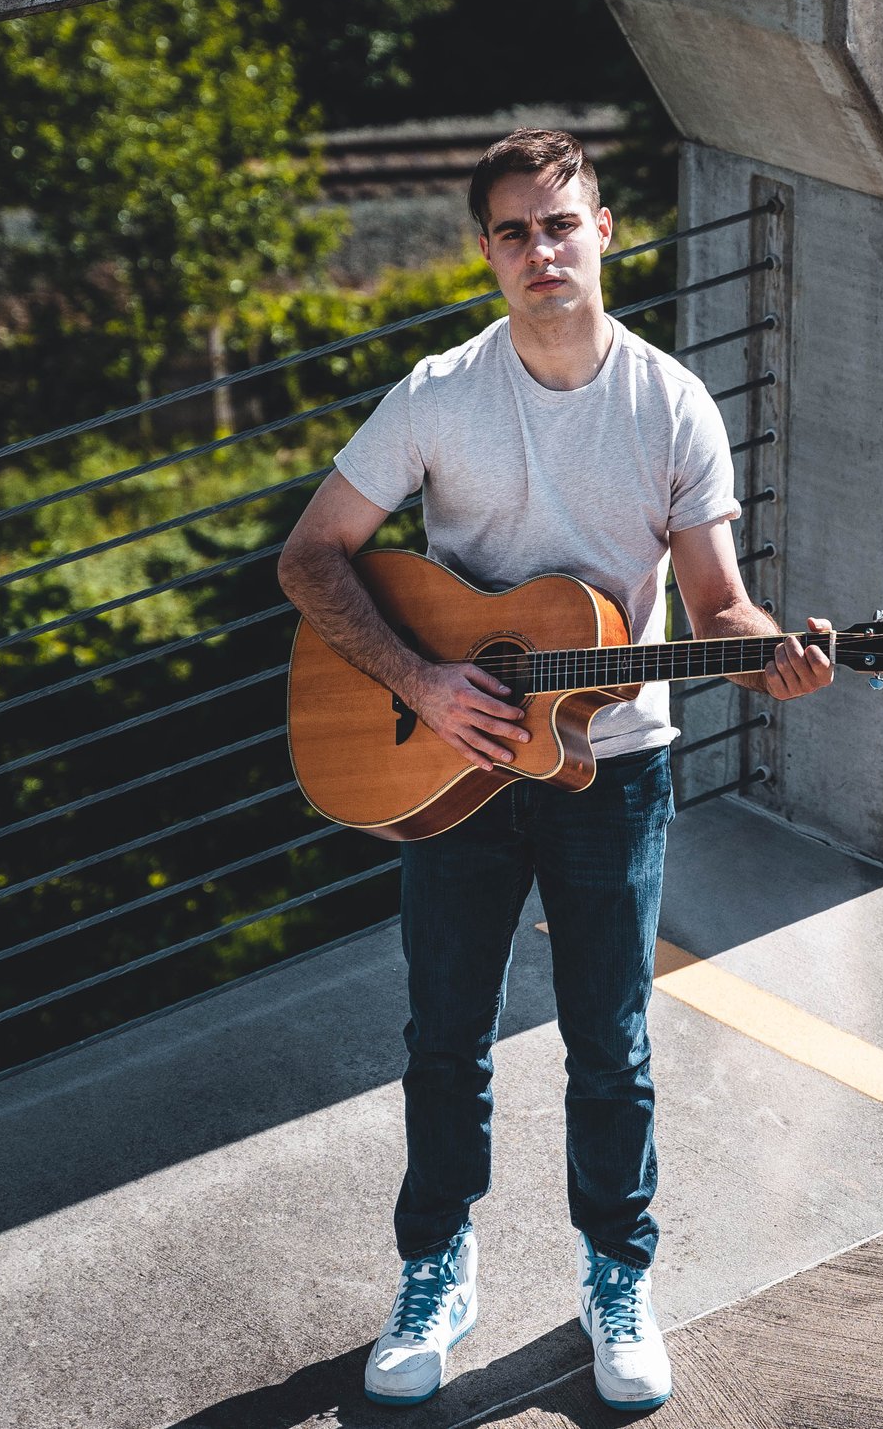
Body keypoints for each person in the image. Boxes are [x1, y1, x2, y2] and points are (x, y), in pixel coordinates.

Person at [276, 128, 833, 1412]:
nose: (542, 249)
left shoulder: (668, 404)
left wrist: (773, 659)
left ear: (604, 231)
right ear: (488, 252)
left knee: (610, 1042)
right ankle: (434, 1267)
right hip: (452, 764)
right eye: (515, 230)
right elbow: (312, 560)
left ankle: (617, 1273)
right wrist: (421, 682)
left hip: (615, 768)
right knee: (444, 1039)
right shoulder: (437, 393)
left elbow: (720, 606)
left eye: (560, 223)